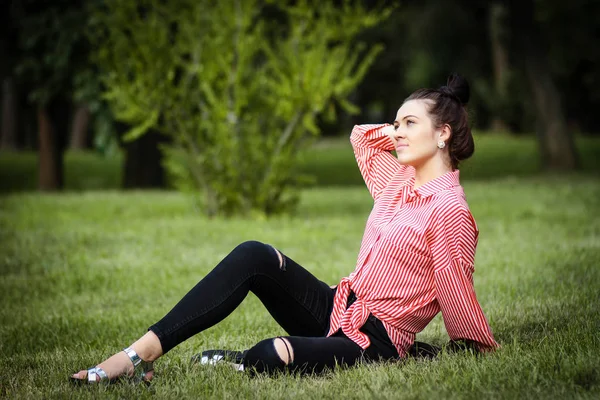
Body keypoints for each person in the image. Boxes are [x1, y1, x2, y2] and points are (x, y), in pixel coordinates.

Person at [71, 73, 499, 384]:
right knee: (254, 254)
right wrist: (400, 129)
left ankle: (236, 360)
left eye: (410, 124)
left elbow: (454, 288)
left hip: (375, 341)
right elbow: (361, 139)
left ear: (443, 134)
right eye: (396, 123)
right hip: (339, 309)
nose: (397, 133)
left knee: (272, 354)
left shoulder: (449, 209)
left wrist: (470, 348)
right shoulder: (397, 181)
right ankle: (137, 354)